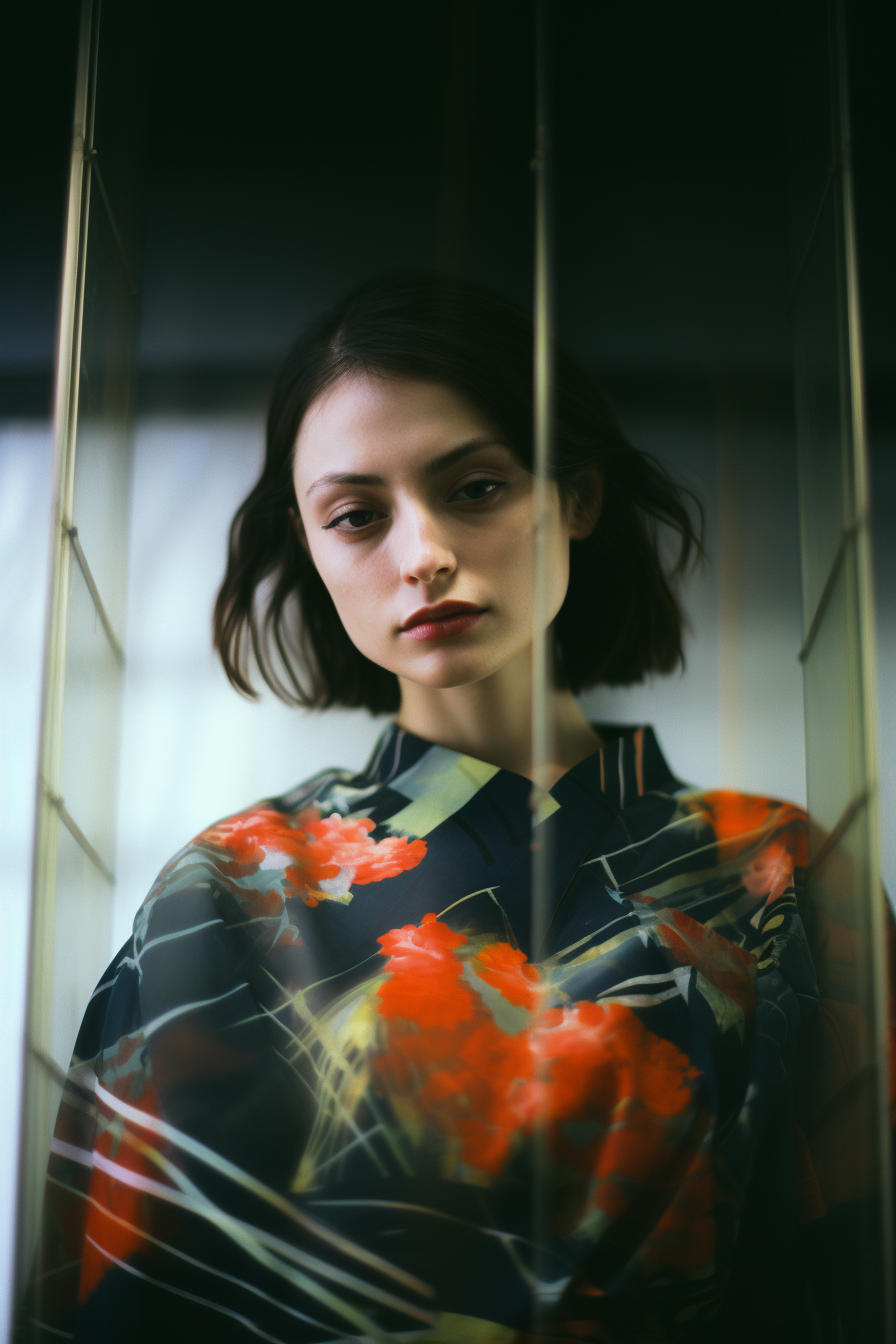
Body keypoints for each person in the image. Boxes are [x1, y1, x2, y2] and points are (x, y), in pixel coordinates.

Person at [29, 274, 846, 1343]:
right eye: (357, 514)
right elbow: (122, 1289)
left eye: (473, 488)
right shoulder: (227, 887)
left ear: (577, 495)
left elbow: (845, 1265)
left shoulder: (769, 867)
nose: (421, 556)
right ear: (312, 545)